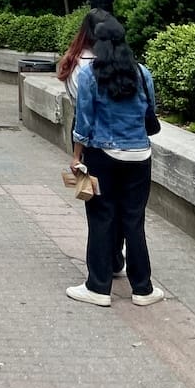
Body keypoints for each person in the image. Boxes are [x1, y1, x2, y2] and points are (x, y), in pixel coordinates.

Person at [67, 15, 164, 308]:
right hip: (139, 155)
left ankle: (98, 287)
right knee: (134, 220)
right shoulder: (142, 72)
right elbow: (152, 109)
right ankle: (143, 289)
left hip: (102, 154)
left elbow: (84, 121)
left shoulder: (89, 75)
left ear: (97, 44)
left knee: (101, 218)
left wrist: (76, 155)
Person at [58, 9, 125, 278]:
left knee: (98, 203)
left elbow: (81, 109)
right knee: (117, 202)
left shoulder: (76, 63)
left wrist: (77, 154)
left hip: (89, 138)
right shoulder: (117, 62)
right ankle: (113, 257)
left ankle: (106, 262)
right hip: (114, 136)